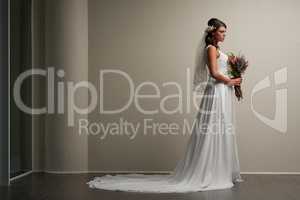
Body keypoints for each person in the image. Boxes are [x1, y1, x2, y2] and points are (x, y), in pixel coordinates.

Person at [86, 18, 244, 193]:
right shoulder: (211, 48)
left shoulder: (219, 50)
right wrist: (231, 81)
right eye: (221, 32)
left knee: (221, 128)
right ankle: (209, 172)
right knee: (213, 128)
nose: (224, 35)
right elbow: (214, 73)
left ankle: (219, 170)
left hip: (223, 90)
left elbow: (223, 68)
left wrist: (235, 67)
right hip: (217, 91)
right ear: (212, 32)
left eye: (225, 32)